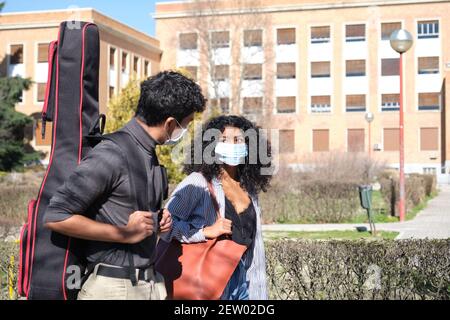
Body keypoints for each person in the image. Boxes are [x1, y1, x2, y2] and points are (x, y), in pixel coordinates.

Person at [43, 70, 206, 300]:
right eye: (186, 124)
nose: (185, 131)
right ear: (170, 123)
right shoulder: (113, 153)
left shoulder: (147, 153)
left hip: (146, 282)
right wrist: (124, 234)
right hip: (113, 288)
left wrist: (157, 225)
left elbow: (124, 213)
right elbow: (55, 215)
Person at [163, 115, 272, 300]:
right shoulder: (198, 183)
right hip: (209, 280)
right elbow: (166, 225)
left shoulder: (250, 190)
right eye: (224, 140)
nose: (233, 145)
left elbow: (255, 246)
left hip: (244, 280)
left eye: (238, 139)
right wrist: (204, 231)